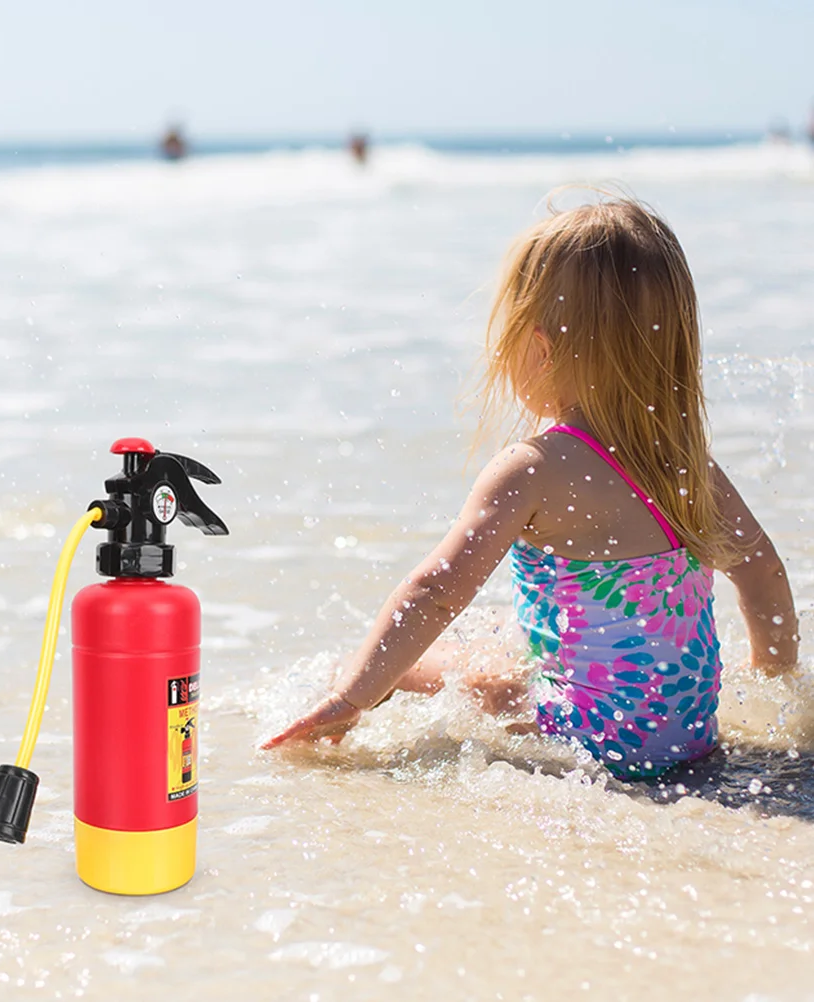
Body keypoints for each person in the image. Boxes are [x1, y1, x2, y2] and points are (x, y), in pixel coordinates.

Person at [262, 196, 799, 779]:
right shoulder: (688, 465)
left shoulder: (533, 468)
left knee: (423, 668)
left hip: (589, 742)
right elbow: (763, 572)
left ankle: (334, 702)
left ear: (539, 348)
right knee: (499, 631)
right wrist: (771, 682)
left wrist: (353, 695)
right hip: (688, 740)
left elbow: (435, 591)